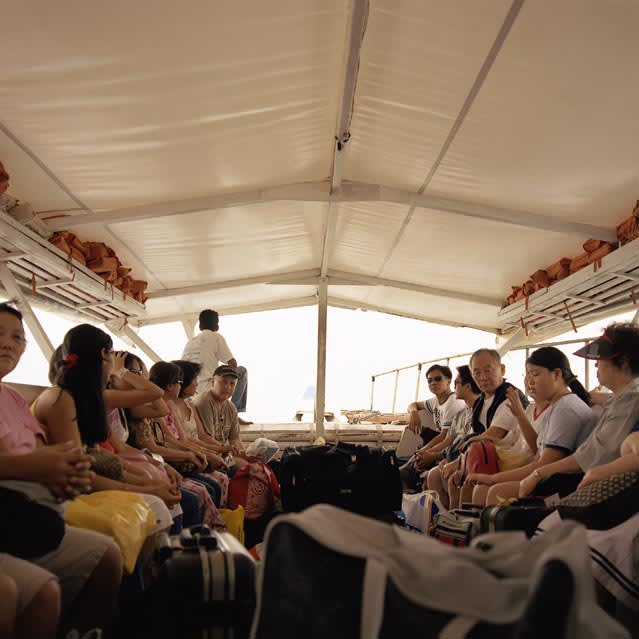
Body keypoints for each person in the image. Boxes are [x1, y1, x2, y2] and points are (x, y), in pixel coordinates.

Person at [0, 302, 122, 638]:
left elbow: (43, 451)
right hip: (15, 502)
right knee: (41, 593)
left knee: (107, 557)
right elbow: (25, 461)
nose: (8, 343)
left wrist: (65, 468)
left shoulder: (12, 399)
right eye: (0, 334)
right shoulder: (58, 399)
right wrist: (50, 467)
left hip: (31, 499)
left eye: (17, 337)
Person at [519, 322, 639, 499]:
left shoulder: (629, 403)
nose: (596, 365)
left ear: (623, 362)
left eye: (600, 359)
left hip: (604, 492)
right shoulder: (621, 399)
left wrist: (538, 474)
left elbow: (592, 456)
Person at [466, 346, 596, 505]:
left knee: (495, 491)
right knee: (482, 488)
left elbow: (544, 464)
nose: (529, 381)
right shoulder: (558, 406)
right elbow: (538, 454)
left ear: (557, 374)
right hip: (552, 479)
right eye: (527, 374)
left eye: (535, 374)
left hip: (567, 489)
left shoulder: (565, 409)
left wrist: (493, 478)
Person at [400, 365, 465, 490]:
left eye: (438, 379)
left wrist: (425, 451)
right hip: (441, 439)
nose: (433, 383)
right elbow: (413, 404)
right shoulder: (435, 400)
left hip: (449, 444)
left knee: (415, 461)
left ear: (449, 381)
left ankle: (406, 475)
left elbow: (445, 436)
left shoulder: (452, 403)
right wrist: (413, 412)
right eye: (429, 380)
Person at [425, 365, 481, 509]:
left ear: (468, 386)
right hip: (457, 457)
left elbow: (476, 445)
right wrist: (443, 458)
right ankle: (444, 516)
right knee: (433, 474)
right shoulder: (461, 415)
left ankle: (454, 515)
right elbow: (449, 440)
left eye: (456, 383)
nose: (454, 387)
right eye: (429, 380)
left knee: (450, 477)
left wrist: (456, 462)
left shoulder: (480, 412)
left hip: (471, 461)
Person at [181, 309, 251, 423]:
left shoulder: (190, 342)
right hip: (211, 387)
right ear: (216, 324)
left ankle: (225, 409)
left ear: (200, 325)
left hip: (192, 392)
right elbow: (232, 363)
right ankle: (233, 412)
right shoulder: (216, 337)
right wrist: (222, 376)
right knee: (242, 371)